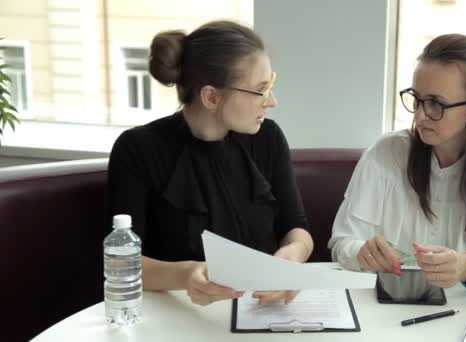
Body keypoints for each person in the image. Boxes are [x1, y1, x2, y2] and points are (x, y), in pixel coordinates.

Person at [107, 20, 313, 306]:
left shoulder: (269, 138)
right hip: (173, 313)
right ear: (211, 97)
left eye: (271, 85)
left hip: (259, 310)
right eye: (260, 90)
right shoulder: (138, 149)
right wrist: (185, 274)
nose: (272, 101)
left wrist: (294, 254)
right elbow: (120, 262)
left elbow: (296, 227)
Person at [328, 34, 466, 289]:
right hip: (394, 311)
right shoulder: (385, 154)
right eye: (417, 99)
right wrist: (362, 253)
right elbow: (342, 242)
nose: (420, 115)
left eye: (436, 104)